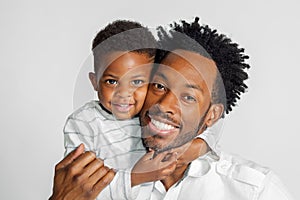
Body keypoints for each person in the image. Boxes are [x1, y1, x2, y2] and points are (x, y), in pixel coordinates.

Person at [51, 17, 294, 199]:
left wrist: (199, 145)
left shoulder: (255, 191)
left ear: (212, 115)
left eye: (188, 97)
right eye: (158, 85)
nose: (163, 105)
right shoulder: (105, 157)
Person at [50, 19, 208, 199]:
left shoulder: (148, 114)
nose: (124, 94)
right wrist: (135, 177)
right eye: (112, 81)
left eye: (137, 82)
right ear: (95, 82)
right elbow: (80, 187)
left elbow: (201, 129)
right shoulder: (84, 123)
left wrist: (199, 145)